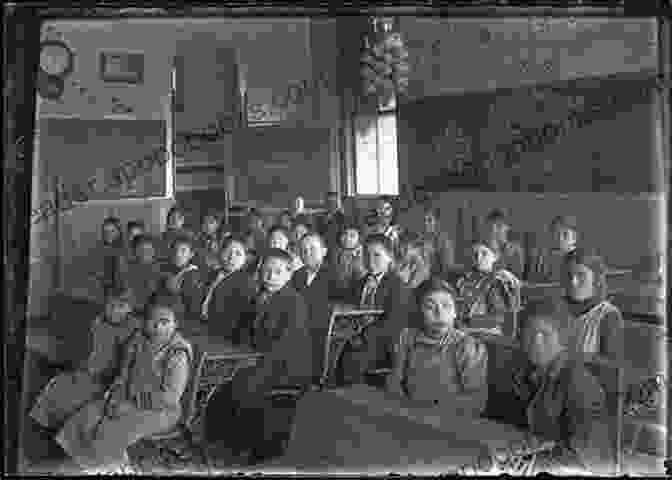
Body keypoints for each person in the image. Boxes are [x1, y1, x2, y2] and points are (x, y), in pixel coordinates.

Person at [55, 293, 192, 474]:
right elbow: (123, 376)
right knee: (87, 416)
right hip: (127, 398)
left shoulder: (177, 353)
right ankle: (83, 466)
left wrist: (130, 405)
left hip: (161, 410)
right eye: (152, 320)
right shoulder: (137, 340)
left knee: (111, 429)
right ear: (144, 320)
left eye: (165, 322)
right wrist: (115, 397)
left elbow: (169, 397)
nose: (157, 326)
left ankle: (117, 468)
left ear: (176, 324)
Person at [205, 248, 312, 464]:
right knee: (222, 379)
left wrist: (253, 362)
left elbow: (286, 346)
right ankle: (228, 439)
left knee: (245, 382)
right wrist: (234, 348)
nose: (271, 276)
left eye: (278, 272)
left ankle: (254, 447)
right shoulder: (259, 297)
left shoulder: (294, 302)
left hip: (286, 366)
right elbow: (244, 330)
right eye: (267, 271)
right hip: (260, 358)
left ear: (289, 275)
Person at [495, 298, 606, 474]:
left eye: (545, 334)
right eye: (529, 333)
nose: (536, 341)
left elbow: (585, 456)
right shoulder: (522, 372)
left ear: (562, 339)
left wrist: (537, 463)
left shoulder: (579, 383)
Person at [30, 287, 139, 432]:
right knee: (58, 384)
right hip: (89, 372)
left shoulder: (132, 330)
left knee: (77, 400)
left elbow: (128, 365)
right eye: (110, 305)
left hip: (109, 380)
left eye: (120, 306)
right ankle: (45, 427)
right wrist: (83, 369)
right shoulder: (99, 323)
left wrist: (114, 384)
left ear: (129, 309)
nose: (114, 310)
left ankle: (66, 432)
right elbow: (94, 353)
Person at [386, 278, 488, 415]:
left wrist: (432, 411)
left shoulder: (467, 346)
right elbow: (394, 381)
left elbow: (476, 401)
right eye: (430, 307)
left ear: (455, 312)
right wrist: (403, 407)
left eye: (446, 306)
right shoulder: (407, 338)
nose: (439, 314)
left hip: (450, 421)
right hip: (407, 414)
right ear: (419, 312)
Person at [334, 234, 411, 386]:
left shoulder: (397, 286)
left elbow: (394, 323)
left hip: (384, 344)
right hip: (355, 338)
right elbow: (348, 311)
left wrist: (362, 337)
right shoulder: (358, 284)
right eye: (366, 256)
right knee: (333, 353)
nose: (371, 261)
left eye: (377, 255)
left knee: (352, 361)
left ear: (389, 257)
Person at [290, 232, 344, 384]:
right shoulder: (297, 275)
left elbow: (338, 305)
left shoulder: (334, 275)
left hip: (323, 330)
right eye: (304, 250)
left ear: (324, 251)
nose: (308, 253)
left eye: (312, 249)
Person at [560, 248, 624, 362]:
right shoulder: (555, 308)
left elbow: (612, 366)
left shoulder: (608, 315)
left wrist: (570, 358)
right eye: (569, 275)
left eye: (581, 275)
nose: (573, 281)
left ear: (596, 278)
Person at [201, 235, 257, 340]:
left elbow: (240, 322)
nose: (231, 257)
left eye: (238, 254)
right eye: (228, 252)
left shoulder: (246, 283)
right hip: (203, 327)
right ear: (220, 252)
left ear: (246, 258)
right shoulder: (212, 275)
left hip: (224, 336)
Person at [454, 242, 510, 333]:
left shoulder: (496, 282)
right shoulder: (463, 281)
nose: (478, 258)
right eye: (475, 254)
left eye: (484, 253)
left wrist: (467, 321)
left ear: (495, 257)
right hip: (461, 329)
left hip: (486, 332)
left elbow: (498, 318)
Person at [158, 235, 204, 332]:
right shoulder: (167, 269)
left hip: (182, 323)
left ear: (191, 254)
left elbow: (192, 308)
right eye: (175, 250)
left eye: (183, 251)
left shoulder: (192, 275)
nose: (178, 254)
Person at [528, 215, 580, 283]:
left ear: (574, 238)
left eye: (565, 234)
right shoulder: (543, 257)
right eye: (557, 234)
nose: (560, 238)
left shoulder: (578, 258)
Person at [120, 234, 162, 314]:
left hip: (154, 310)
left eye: (149, 249)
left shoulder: (160, 269)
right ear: (134, 251)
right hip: (132, 310)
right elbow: (126, 292)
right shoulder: (128, 268)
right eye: (141, 249)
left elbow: (157, 292)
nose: (146, 253)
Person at [88, 217, 127, 300]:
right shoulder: (98, 250)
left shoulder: (125, 250)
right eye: (106, 231)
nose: (108, 234)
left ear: (119, 232)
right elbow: (95, 274)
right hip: (105, 294)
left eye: (112, 231)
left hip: (122, 295)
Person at [483, 209, 525, 279]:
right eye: (490, 227)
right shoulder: (481, 250)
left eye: (499, 226)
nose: (494, 231)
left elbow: (517, 277)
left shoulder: (514, 250)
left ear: (507, 228)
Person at [418, 205, 456, 276]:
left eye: (429, 220)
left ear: (436, 221)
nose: (426, 223)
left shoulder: (444, 240)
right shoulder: (421, 239)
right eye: (424, 220)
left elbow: (448, 266)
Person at [331, 223, 367, 294]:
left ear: (359, 238)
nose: (347, 239)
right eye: (344, 234)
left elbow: (361, 278)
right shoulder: (336, 251)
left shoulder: (364, 254)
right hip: (336, 291)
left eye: (352, 236)